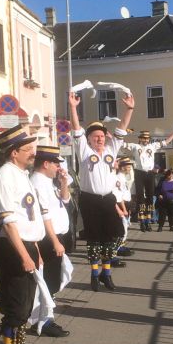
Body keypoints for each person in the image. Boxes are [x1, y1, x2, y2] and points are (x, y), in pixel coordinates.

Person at [0, 125, 45, 344]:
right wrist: (24, 255)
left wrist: (36, 251)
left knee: (23, 309)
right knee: (14, 309)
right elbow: (9, 223)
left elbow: (28, 218)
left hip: (25, 246)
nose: (33, 153)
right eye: (28, 149)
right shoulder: (3, 177)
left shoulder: (21, 174)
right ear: (13, 153)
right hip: (12, 248)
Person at [68, 91, 134, 292]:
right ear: (88, 139)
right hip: (90, 200)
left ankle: (107, 272)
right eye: (95, 136)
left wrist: (129, 109)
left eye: (102, 136)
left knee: (114, 235)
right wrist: (73, 107)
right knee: (94, 239)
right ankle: (95, 275)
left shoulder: (111, 150)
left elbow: (122, 128)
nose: (100, 139)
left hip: (108, 200)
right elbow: (76, 128)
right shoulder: (84, 151)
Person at [30, 145, 71, 337]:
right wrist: (54, 241)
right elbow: (44, 216)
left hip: (56, 237)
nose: (58, 167)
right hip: (48, 238)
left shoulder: (48, 181)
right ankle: (43, 321)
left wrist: (63, 182)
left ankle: (45, 318)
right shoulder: (37, 183)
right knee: (46, 282)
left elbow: (65, 200)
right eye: (56, 163)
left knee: (52, 281)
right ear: (46, 164)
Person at [123, 130, 173, 232]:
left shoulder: (153, 146)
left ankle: (148, 221)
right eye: (144, 138)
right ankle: (142, 223)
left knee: (150, 198)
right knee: (140, 198)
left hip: (150, 174)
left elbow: (166, 142)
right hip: (139, 173)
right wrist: (120, 133)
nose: (146, 140)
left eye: (147, 138)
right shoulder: (135, 146)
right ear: (140, 139)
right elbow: (121, 143)